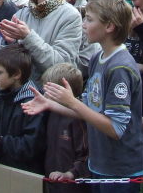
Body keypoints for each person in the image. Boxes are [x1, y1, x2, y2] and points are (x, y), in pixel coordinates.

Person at [23, 0, 143, 192]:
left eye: (89, 20)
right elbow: (91, 111)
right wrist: (52, 105)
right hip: (100, 163)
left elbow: (116, 128)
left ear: (109, 26)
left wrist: (72, 102)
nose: (83, 25)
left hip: (119, 169)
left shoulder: (119, 68)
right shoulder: (98, 58)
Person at [0, 0, 83, 85]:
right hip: (19, 98)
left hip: (49, 98)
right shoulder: (21, 13)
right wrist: (9, 44)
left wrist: (27, 37)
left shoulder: (70, 16)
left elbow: (62, 68)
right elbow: (6, 66)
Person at [0, 43, 46, 173]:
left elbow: (32, 145)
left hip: (26, 174)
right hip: (1, 168)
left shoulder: (33, 102)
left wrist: (1, 143)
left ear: (16, 74)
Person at [41, 63, 91, 193]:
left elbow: (87, 154)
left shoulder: (78, 119)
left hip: (73, 186)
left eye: (48, 91)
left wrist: (70, 174)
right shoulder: (51, 114)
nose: (44, 95)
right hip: (52, 182)